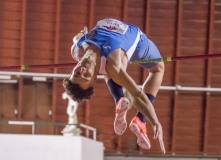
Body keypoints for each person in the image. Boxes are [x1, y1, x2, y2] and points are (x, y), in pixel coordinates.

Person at [63, 18, 165, 154]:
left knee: (105, 64)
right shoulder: (114, 66)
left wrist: (79, 37)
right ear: (94, 78)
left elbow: (76, 39)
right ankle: (140, 119)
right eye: (86, 76)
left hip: (112, 46)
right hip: (136, 42)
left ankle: (120, 100)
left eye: (76, 73)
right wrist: (155, 121)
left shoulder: (76, 50)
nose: (81, 70)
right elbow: (137, 95)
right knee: (158, 68)